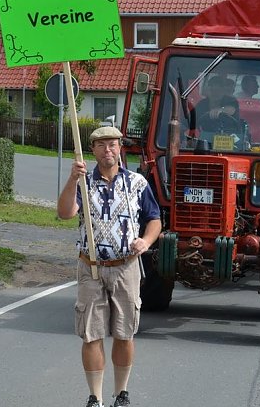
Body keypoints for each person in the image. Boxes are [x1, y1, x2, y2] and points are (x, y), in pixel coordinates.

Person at [57, 126, 162, 407]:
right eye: (102, 145)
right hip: (91, 267)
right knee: (91, 334)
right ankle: (95, 397)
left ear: (120, 148)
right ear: (92, 150)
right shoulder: (83, 183)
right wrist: (71, 179)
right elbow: (65, 213)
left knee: (125, 332)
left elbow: (154, 219)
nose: (108, 150)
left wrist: (146, 241)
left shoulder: (137, 183)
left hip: (126, 267)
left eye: (113, 144)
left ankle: (122, 393)